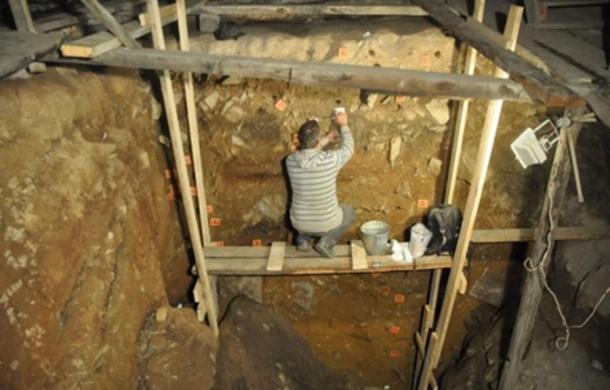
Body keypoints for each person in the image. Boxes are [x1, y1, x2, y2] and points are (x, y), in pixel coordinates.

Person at [285, 110, 355, 258]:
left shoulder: (290, 161)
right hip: (326, 224)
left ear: (299, 140)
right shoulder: (330, 160)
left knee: (304, 209)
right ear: (317, 142)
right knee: (348, 212)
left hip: (299, 223)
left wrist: (326, 139)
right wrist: (344, 125)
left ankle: (302, 240)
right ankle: (326, 241)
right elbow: (348, 148)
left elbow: (307, 151)